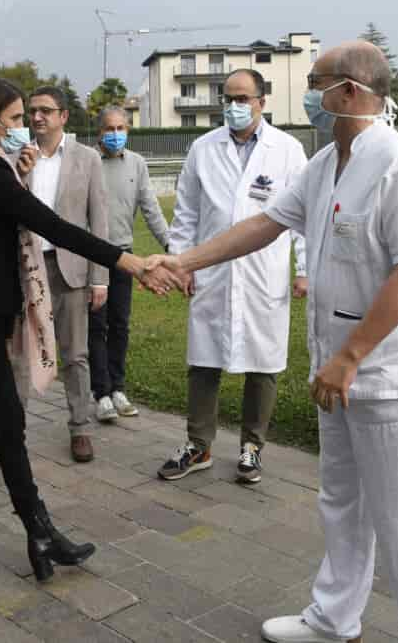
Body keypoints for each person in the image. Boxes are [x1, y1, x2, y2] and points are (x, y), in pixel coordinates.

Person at [146, 42, 398, 643]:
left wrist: (351, 357)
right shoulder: (323, 166)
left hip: (388, 375)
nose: (307, 97)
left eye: (314, 84)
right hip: (334, 372)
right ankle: (334, 616)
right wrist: (184, 258)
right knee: (341, 502)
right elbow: (263, 225)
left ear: (348, 90)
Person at [0, 74, 150, 599]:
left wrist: (19, 174)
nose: (21, 129)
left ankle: (40, 533)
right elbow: (53, 227)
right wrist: (130, 262)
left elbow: (7, 218)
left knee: (9, 430)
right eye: (12, 120)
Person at [157, 69, 307, 485]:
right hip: (211, 271)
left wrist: (304, 270)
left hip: (264, 272)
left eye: (243, 99)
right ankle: (198, 444)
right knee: (203, 359)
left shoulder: (289, 151)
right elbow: (185, 213)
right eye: (228, 98)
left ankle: (252, 447)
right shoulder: (203, 148)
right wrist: (179, 263)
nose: (234, 106)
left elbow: (304, 218)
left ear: (262, 101)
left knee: (264, 361)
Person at [24, 85, 110, 463]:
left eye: (45, 110)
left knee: (75, 355)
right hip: (27, 269)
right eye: (32, 111)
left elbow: (98, 220)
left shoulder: (87, 158)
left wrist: (100, 277)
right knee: (20, 354)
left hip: (70, 269)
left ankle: (80, 428)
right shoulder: (17, 158)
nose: (37, 117)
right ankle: (12, 432)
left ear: (63, 116)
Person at [89, 105, 169, 423]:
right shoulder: (88, 161)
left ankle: (118, 387)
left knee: (120, 324)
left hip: (124, 257)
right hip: (92, 256)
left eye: (121, 127)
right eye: (110, 128)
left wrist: (171, 247)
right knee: (96, 326)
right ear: (99, 132)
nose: (116, 134)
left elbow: (151, 208)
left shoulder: (137, 164)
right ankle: (101, 393)